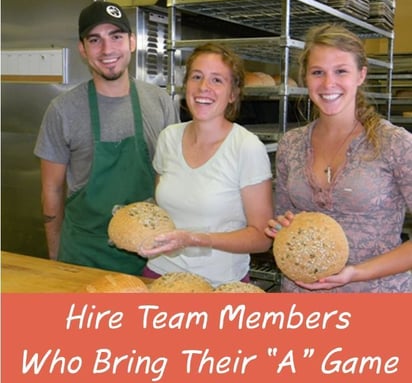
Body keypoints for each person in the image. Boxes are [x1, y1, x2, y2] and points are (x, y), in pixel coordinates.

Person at [34, 1, 179, 275]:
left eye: (116, 37)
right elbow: (51, 190)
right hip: (83, 255)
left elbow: (172, 176)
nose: (107, 49)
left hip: (149, 254)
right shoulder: (63, 110)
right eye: (95, 40)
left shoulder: (159, 102)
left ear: (132, 42)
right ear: (83, 49)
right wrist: (54, 255)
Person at [265, 23, 412, 293]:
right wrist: (281, 226)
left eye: (341, 71)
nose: (328, 83)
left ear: (361, 75)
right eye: (317, 72)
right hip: (303, 303)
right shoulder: (292, 144)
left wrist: (356, 273)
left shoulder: (395, 143)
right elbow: (281, 219)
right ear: (305, 78)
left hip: (375, 298)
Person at [139, 42, 274, 287]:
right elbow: (161, 211)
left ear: (233, 93)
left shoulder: (246, 147)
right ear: (186, 84)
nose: (204, 88)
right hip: (160, 274)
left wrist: (196, 239)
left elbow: (261, 238)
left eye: (217, 80)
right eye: (197, 77)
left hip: (219, 284)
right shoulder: (168, 137)